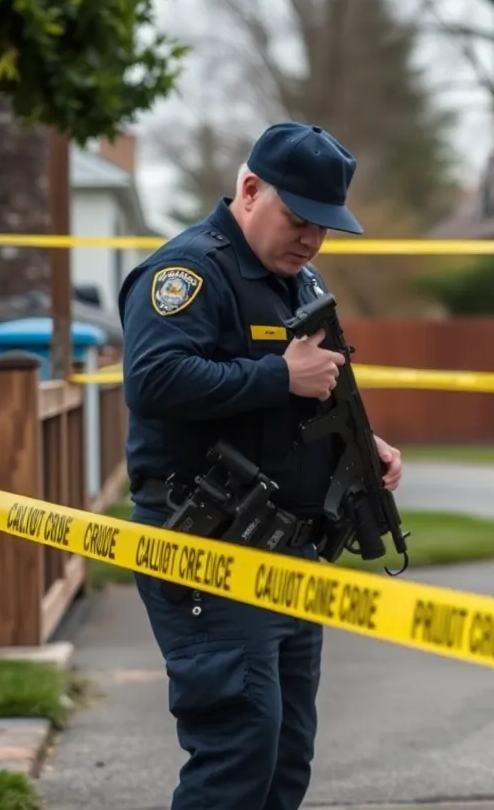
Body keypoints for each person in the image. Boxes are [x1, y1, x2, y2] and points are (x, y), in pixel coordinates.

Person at [117, 121, 403, 810]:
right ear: (250, 189)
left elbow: (316, 387)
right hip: (210, 543)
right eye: (299, 218)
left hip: (288, 552)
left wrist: (364, 447)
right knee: (238, 750)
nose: (311, 238)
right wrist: (278, 376)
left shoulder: (300, 281)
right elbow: (153, 380)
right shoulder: (188, 272)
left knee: (284, 756)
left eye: (324, 226)